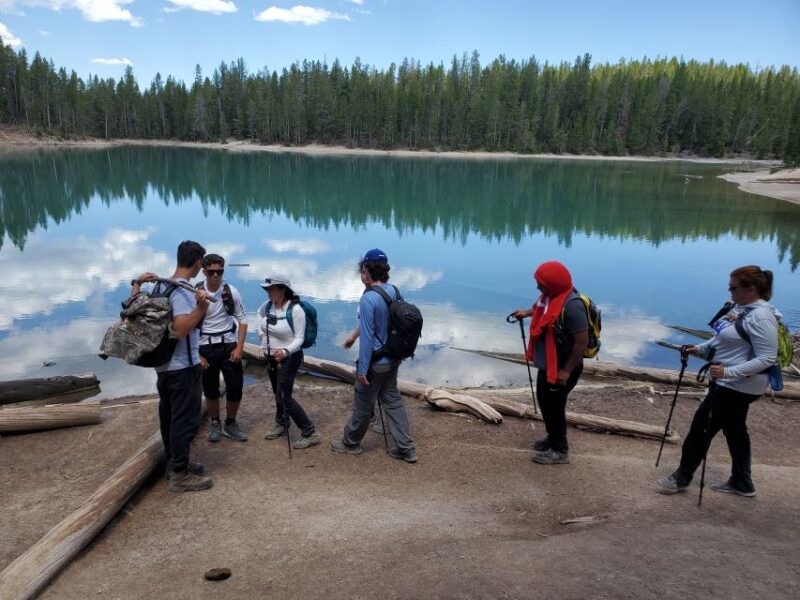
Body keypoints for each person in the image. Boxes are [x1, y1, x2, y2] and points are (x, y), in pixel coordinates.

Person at [658, 266, 779, 498]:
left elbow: (767, 358)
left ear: (751, 289)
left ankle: (681, 478)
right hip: (734, 383)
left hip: (735, 386)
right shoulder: (743, 310)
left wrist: (727, 372)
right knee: (735, 431)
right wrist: (699, 349)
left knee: (701, 429)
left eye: (734, 287)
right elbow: (723, 341)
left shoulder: (761, 317)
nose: (729, 291)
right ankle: (742, 483)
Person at [132, 240, 213, 493]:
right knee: (184, 421)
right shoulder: (183, 291)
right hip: (182, 367)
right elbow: (179, 329)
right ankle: (179, 474)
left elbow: (135, 312)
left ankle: (176, 463)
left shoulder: (160, 286)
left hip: (164, 366)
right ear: (199, 262)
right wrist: (201, 307)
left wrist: (135, 285)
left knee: (169, 417)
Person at [332, 248, 417, 463]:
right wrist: (353, 336)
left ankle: (350, 443)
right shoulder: (394, 291)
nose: (361, 276)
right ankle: (406, 448)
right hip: (394, 358)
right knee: (393, 400)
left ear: (369, 271)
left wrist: (362, 370)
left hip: (376, 363)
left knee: (363, 404)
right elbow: (383, 323)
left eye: (362, 271)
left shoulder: (369, 298)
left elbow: (369, 338)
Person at [512, 260, 588, 465]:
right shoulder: (550, 297)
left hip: (563, 367)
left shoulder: (572, 307)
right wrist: (526, 313)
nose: (538, 287)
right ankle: (552, 437)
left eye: (541, 283)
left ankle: (560, 450)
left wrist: (566, 370)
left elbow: (582, 342)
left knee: (554, 406)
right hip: (549, 363)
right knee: (545, 401)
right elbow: (540, 308)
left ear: (553, 284)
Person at [258, 274, 321, 449]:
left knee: (284, 395)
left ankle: (309, 431)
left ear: (283, 290)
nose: (268, 292)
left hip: (290, 358)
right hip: (271, 356)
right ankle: (282, 422)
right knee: (277, 391)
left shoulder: (295, 310)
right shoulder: (267, 306)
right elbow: (259, 319)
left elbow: (299, 339)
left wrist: (285, 351)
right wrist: (263, 342)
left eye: (271, 289)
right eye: (267, 289)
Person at [197, 254, 249, 443]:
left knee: (235, 387)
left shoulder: (231, 292)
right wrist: (197, 354)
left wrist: (239, 348)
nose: (216, 276)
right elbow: (188, 328)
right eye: (211, 272)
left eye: (220, 271)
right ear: (204, 271)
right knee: (210, 389)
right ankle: (215, 423)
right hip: (205, 346)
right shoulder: (195, 293)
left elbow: (243, 321)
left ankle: (231, 423)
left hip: (228, 344)